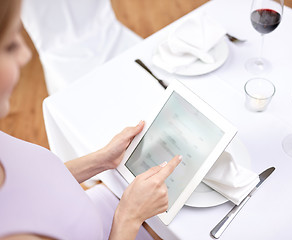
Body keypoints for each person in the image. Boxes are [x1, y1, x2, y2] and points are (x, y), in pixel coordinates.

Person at [0, 1, 182, 239]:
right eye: (10, 46)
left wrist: (101, 160)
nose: (25, 54)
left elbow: (29, 187)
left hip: (86, 211)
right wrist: (129, 216)